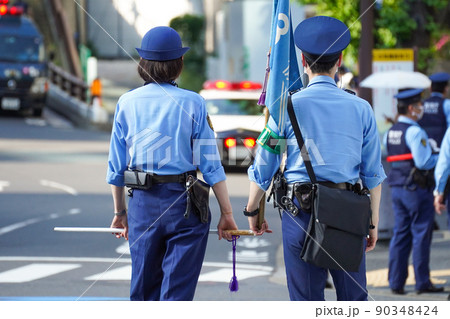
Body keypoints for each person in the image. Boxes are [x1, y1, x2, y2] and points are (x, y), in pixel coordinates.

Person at [245, 16, 385, 301]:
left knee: (306, 302)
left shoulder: (285, 107)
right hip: (348, 213)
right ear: (340, 60)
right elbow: (372, 173)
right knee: (354, 301)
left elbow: (266, 162)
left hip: (300, 212)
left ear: (303, 60)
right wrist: (372, 222)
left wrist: (251, 208)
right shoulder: (362, 109)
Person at [106, 26, 238, 301]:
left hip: (142, 203)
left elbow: (116, 169)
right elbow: (211, 166)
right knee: (177, 293)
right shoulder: (194, 103)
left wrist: (121, 212)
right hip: (186, 204)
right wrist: (227, 213)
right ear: (178, 65)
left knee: (143, 290)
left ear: (143, 64)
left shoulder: (126, 103)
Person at [386, 88, 444, 295]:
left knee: (400, 234)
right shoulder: (415, 131)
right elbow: (423, 161)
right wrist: (442, 158)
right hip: (417, 189)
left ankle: (395, 282)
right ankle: (422, 282)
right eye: (419, 105)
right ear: (411, 108)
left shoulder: (392, 131)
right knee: (421, 233)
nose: (421, 109)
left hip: (398, 188)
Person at [419, 72, 450, 230]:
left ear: (430, 88)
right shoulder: (446, 105)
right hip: (442, 159)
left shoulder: (421, 105)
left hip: (426, 159)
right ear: (446, 88)